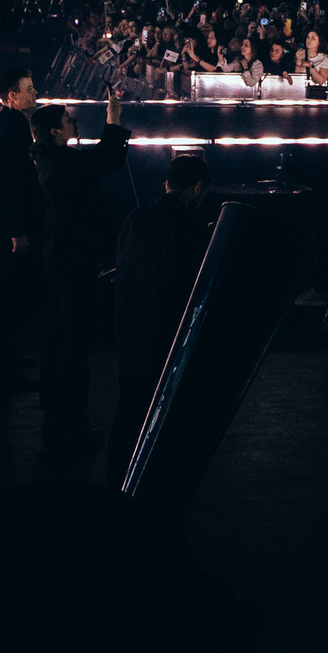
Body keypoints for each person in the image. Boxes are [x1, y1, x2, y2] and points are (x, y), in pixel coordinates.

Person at [34, 88, 130, 459]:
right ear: (55, 131)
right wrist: (113, 118)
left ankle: (54, 415)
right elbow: (107, 159)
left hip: (58, 256)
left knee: (57, 338)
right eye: (68, 120)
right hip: (74, 259)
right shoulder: (64, 162)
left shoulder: (48, 158)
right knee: (75, 344)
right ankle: (71, 423)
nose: (74, 123)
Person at [109, 154, 214, 486]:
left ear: (167, 182)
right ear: (197, 188)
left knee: (128, 412)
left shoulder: (135, 218)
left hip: (129, 333)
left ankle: (116, 483)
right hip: (164, 339)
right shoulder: (190, 231)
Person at [0, 67, 42, 392]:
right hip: (7, 228)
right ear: (12, 96)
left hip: (1, 224)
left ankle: (6, 362)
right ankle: (3, 370)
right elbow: (7, 183)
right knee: (6, 299)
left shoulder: (7, 123)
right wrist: (16, 231)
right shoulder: (13, 128)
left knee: (6, 297)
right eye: (29, 88)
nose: (35, 93)